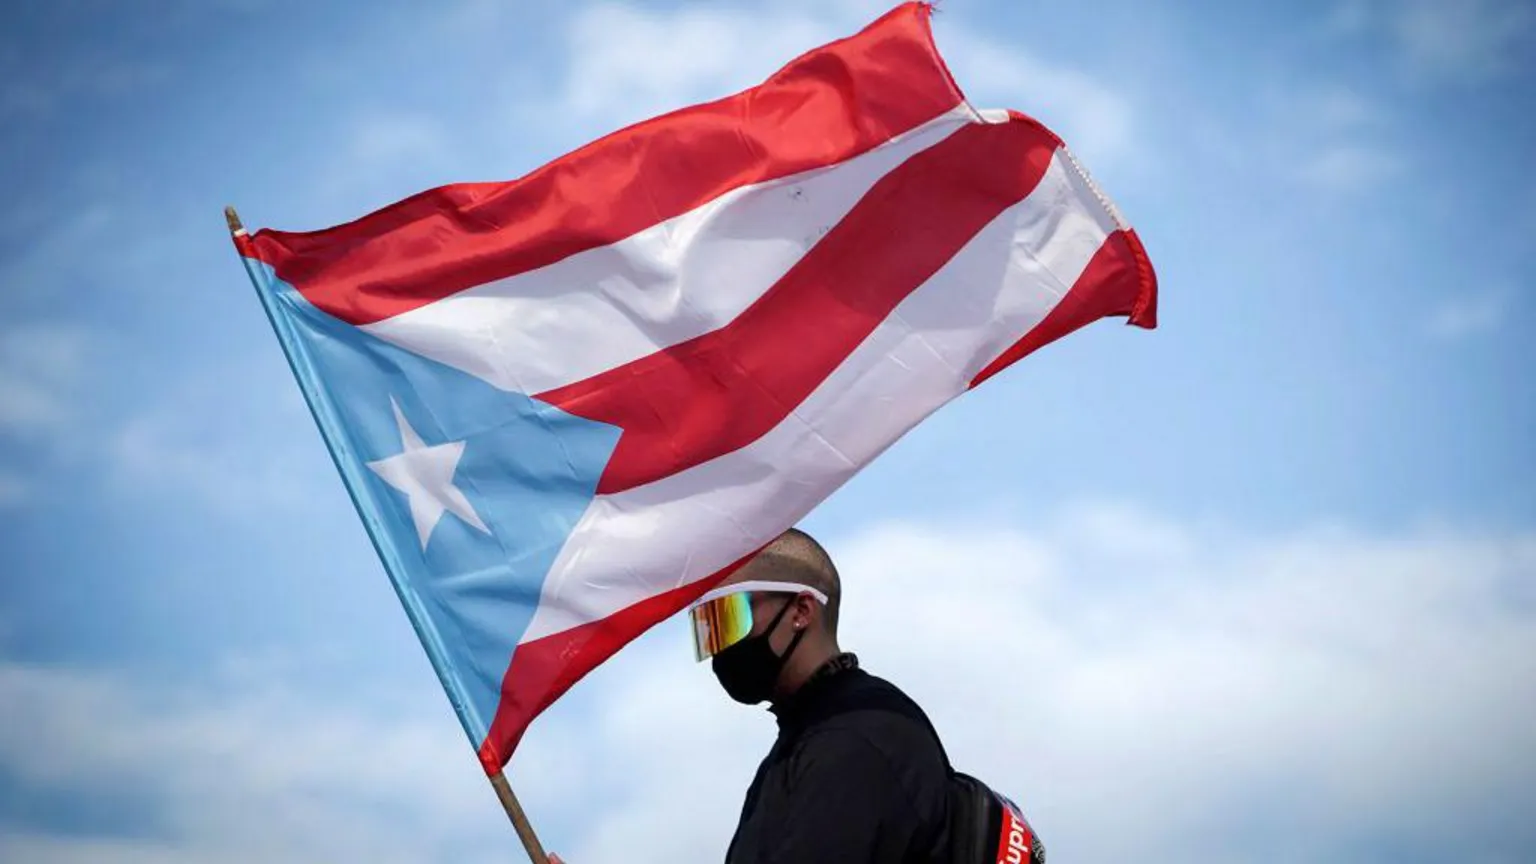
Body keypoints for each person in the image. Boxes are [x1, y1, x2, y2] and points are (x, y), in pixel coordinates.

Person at [550, 527, 951, 864]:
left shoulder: (856, 739)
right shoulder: (803, 742)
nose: (720, 648)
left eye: (729, 618)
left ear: (801, 611)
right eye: (709, 628)